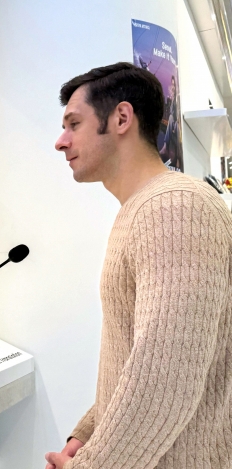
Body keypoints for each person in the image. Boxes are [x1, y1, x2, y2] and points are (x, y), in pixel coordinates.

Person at [46, 62, 232, 468]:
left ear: (121, 118)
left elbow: (166, 382)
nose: (61, 142)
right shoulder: (144, 210)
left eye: (73, 123)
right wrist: (88, 432)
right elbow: (134, 357)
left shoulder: (175, 207)